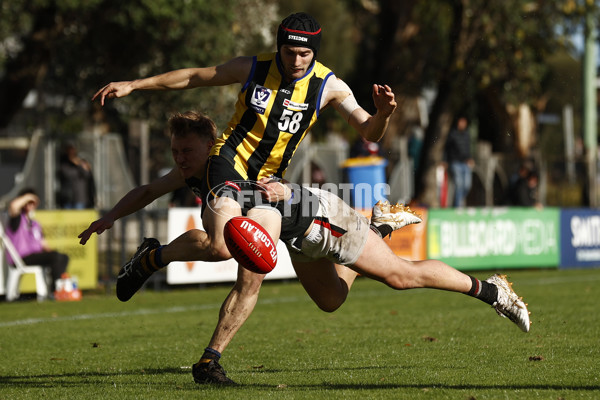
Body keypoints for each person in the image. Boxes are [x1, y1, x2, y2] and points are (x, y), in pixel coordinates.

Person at [80, 111, 530, 386]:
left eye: (187, 150)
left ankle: (491, 290)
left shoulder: (227, 171)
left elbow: (247, 259)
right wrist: (111, 216)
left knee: (399, 276)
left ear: (212, 145)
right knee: (331, 299)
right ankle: (376, 223)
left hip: (322, 218)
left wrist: (264, 212)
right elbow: (148, 189)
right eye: (176, 150)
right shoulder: (198, 172)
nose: (180, 159)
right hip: (301, 237)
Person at [83, 11, 399, 384]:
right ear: (278, 46)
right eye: (288, 51)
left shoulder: (331, 86)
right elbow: (194, 77)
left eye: (304, 54)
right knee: (221, 247)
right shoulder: (252, 69)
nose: (295, 61)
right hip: (230, 166)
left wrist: (383, 115)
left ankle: (203, 350)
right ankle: (161, 273)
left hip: (269, 185)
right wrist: (136, 85)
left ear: (314, 53)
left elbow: (369, 131)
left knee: (270, 279)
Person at [5, 189, 69, 294]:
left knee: (62, 257)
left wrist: (54, 254)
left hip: (35, 255)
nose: (30, 205)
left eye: (33, 202)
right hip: (22, 256)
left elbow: (43, 243)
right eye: (28, 202)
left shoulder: (35, 224)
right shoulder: (17, 219)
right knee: (56, 257)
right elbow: (13, 206)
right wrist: (28, 197)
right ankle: (56, 291)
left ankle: (57, 288)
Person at [444, 117, 474, 208]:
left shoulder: (467, 135)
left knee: (467, 185)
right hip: (455, 162)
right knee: (459, 184)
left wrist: (470, 158)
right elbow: (446, 149)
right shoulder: (452, 134)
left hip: (465, 163)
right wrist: (445, 161)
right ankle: (458, 206)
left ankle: (459, 201)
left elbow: (468, 149)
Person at [58, 143, 96, 209]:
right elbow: (66, 174)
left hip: (80, 197)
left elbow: (87, 175)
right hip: (67, 197)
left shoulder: (81, 162)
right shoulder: (64, 164)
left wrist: (79, 165)